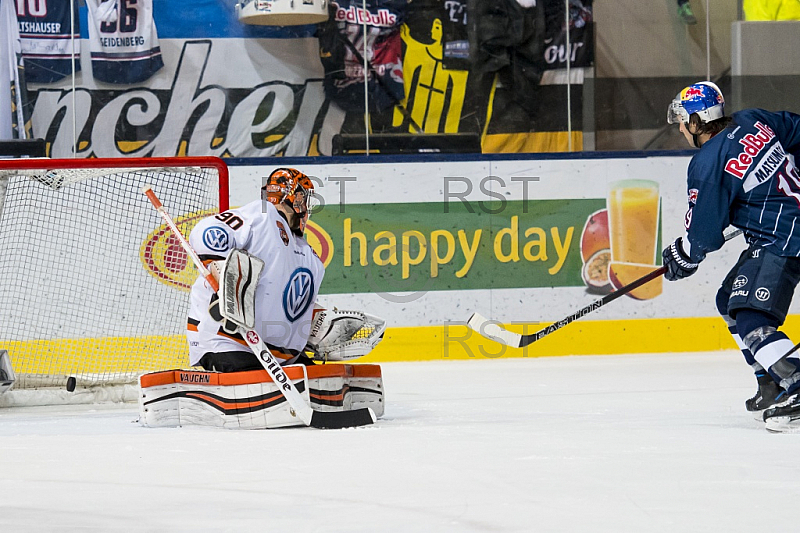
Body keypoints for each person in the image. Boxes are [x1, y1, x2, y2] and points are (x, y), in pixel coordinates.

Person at [662, 81, 800, 433]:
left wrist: (684, 256)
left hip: (782, 237)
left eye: (682, 121)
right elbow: (797, 129)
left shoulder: (707, 162)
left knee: (751, 315)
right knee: (728, 299)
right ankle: (770, 378)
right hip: (783, 229)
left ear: (696, 121)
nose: (680, 128)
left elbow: (705, 234)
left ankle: (796, 381)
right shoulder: (753, 120)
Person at [187, 168, 324, 372]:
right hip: (230, 344)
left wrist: (320, 322)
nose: (306, 207)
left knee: (323, 380)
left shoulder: (310, 257)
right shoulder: (262, 215)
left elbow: (280, 299)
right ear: (294, 197)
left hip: (281, 357)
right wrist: (224, 276)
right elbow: (207, 233)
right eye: (304, 199)